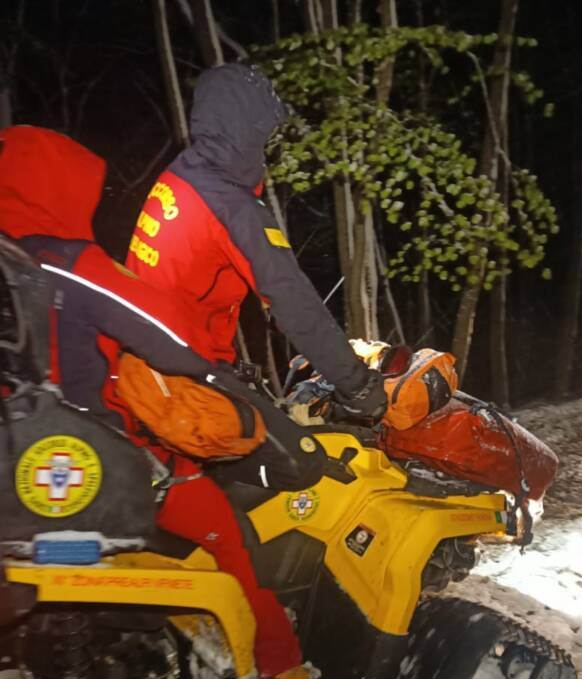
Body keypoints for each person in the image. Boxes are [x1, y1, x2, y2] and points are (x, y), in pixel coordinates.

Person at [0, 125, 313, 679]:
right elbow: (169, 336)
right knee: (225, 531)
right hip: (91, 462)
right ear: (58, 188)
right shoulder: (67, 262)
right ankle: (280, 666)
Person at [124, 63, 387, 490]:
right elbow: (293, 301)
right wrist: (357, 386)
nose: (269, 144)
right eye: (266, 131)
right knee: (304, 472)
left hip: (151, 365)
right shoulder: (230, 207)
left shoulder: (181, 175)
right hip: (184, 380)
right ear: (246, 127)